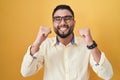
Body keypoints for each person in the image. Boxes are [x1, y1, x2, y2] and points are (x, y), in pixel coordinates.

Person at [21, 4, 113, 80]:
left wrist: (90, 43)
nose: (62, 23)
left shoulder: (86, 45)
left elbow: (107, 75)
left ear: (74, 22)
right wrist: (37, 42)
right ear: (53, 23)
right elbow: (26, 72)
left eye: (67, 18)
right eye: (58, 19)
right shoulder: (45, 45)